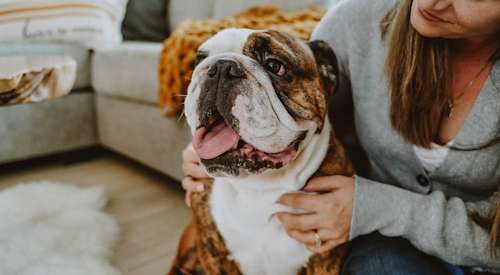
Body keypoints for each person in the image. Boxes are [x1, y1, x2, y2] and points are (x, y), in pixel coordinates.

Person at [181, 0, 500, 274]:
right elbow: (301, 107)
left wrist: (376, 206)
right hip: (389, 245)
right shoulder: (354, 21)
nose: (431, 3)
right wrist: (221, 133)